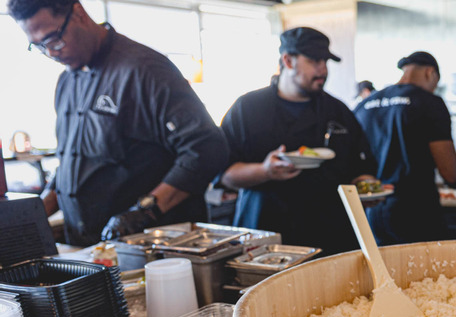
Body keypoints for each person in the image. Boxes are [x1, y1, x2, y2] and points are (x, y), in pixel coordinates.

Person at [8, 0, 229, 247]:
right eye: (39, 46)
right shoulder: (66, 83)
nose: (51, 53)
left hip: (147, 249)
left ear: (78, 13)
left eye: (53, 40)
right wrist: (27, 217)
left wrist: (146, 210)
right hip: (86, 249)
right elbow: (73, 163)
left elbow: (206, 148)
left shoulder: (145, 70)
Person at [219, 27, 377, 256]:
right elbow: (226, 175)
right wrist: (265, 171)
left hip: (331, 238)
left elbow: (360, 167)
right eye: (314, 61)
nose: (323, 69)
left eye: (325, 61)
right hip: (267, 240)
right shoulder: (247, 108)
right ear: (288, 60)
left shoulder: (338, 111)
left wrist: (368, 188)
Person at [354, 51, 456, 245]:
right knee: (426, 273)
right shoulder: (430, 103)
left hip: (373, 212)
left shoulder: (365, 105)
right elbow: (450, 174)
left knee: (386, 272)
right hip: (416, 213)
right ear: (430, 73)